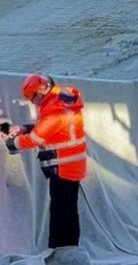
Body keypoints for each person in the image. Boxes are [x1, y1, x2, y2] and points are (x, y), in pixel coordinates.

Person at [2, 73, 86, 250]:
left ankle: (56, 252)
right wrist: (24, 127)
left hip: (62, 167)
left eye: (32, 99)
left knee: (59, 211)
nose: (33, 104)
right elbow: (48, 129)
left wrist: (10, 142)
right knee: (70, 209)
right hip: (74, 164)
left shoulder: (56, 111)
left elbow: (35, 139)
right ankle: (71, 249)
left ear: (40, 93)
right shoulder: (62, 101)